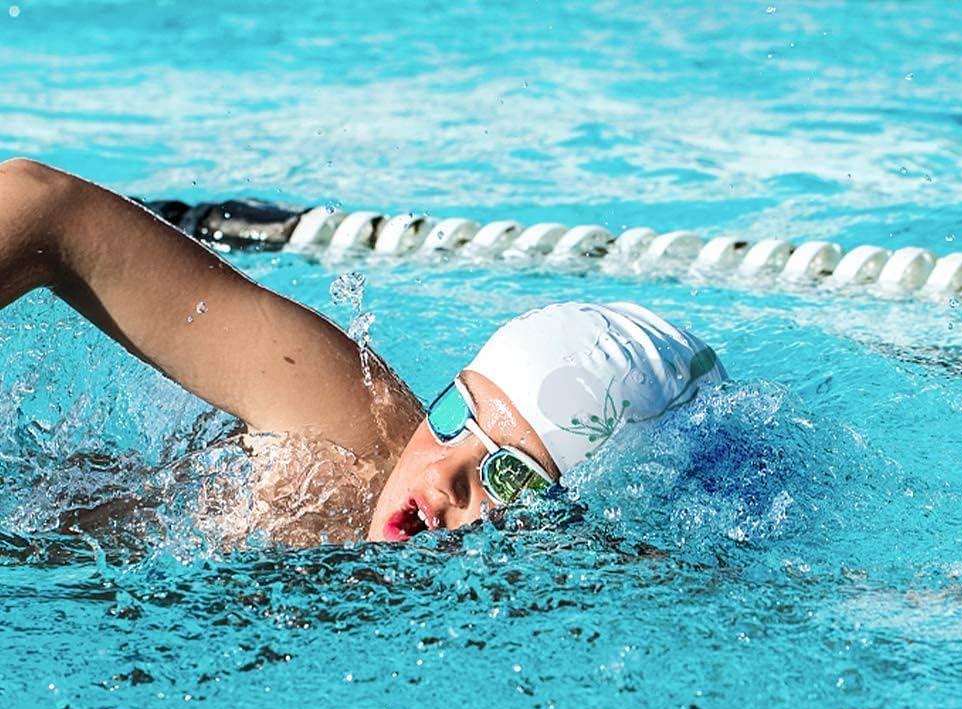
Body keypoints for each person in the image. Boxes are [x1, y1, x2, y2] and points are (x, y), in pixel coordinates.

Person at [0, 159, 727, 547]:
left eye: (509, 476)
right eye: (452, 416)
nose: (444, 475)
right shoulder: (348, 442)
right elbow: (45, 208)